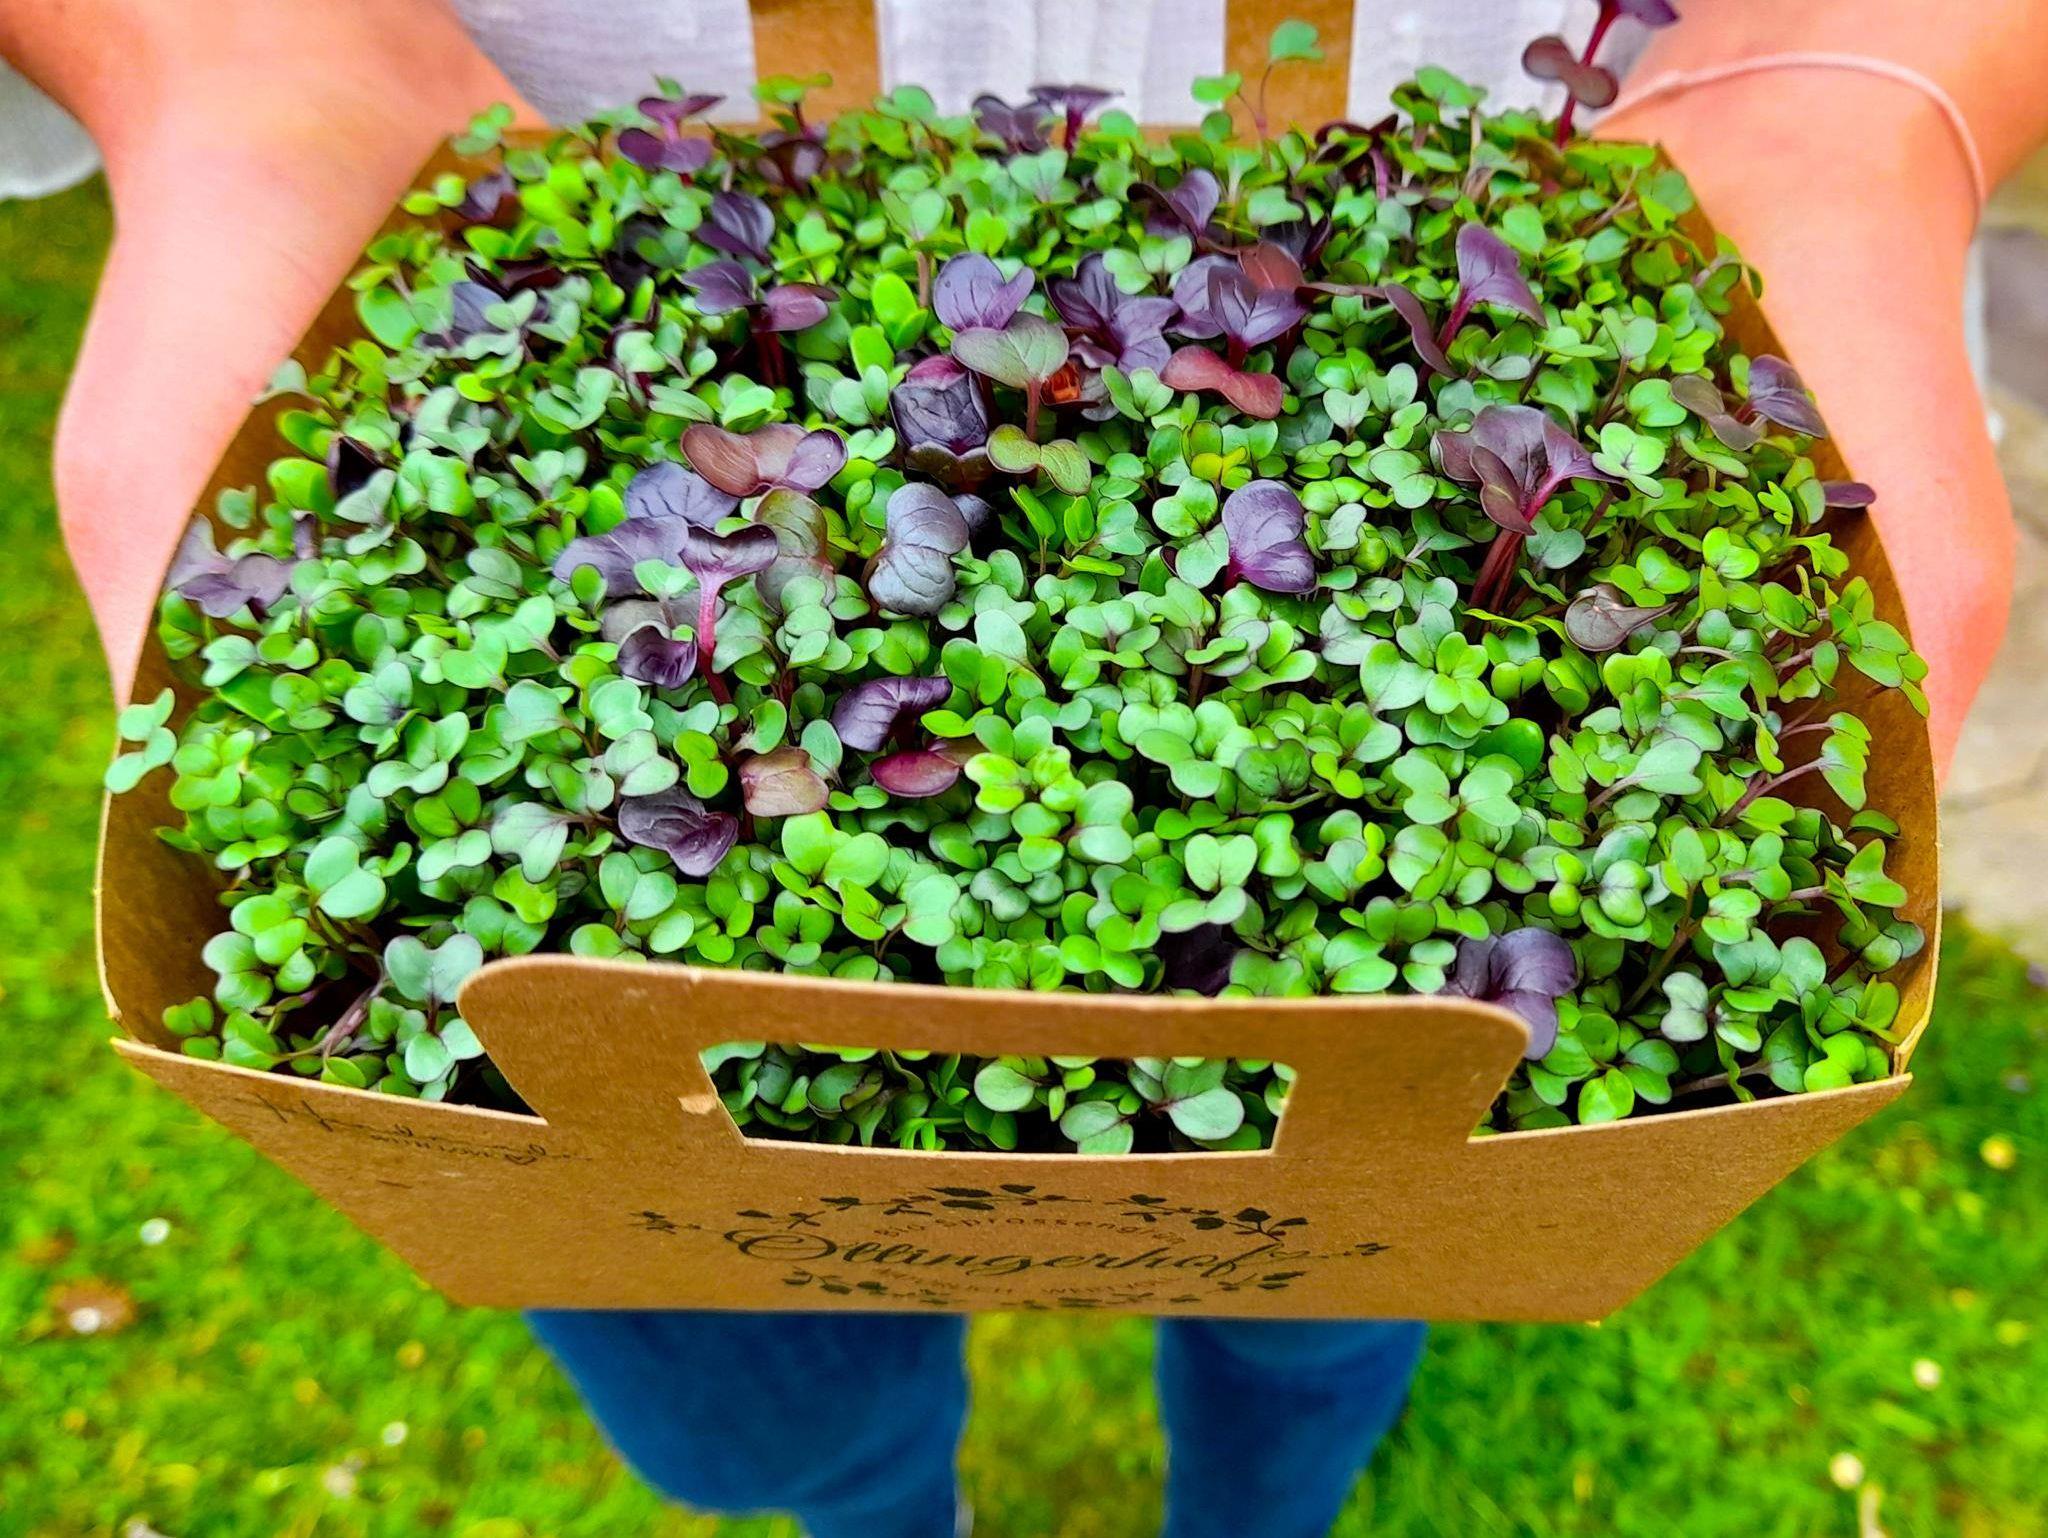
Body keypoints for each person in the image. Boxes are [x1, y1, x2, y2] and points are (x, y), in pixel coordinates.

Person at [2, 3, 2041, 1534]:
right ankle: (879, 1504)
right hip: (545, 102)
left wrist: (1867, 92)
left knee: (1353, 1254)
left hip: (1488, 168)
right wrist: (236, 61)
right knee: (745, 1362)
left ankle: (1257, 1499)